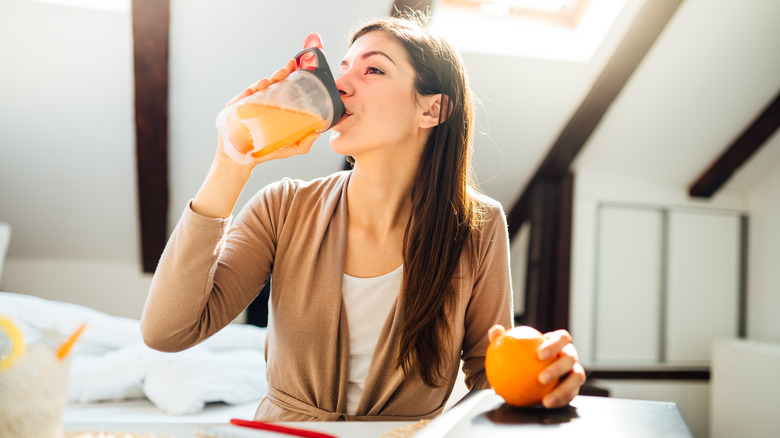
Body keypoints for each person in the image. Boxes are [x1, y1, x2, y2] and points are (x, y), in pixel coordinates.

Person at [141, 12, 585, 422]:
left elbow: (490, 376)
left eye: (372, 69)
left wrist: (545, 381)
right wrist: (231, 161)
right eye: (343, 69)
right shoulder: (282, 208)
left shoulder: (478, 227)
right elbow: (167, 332)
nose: (340, 86)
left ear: (432, 109)